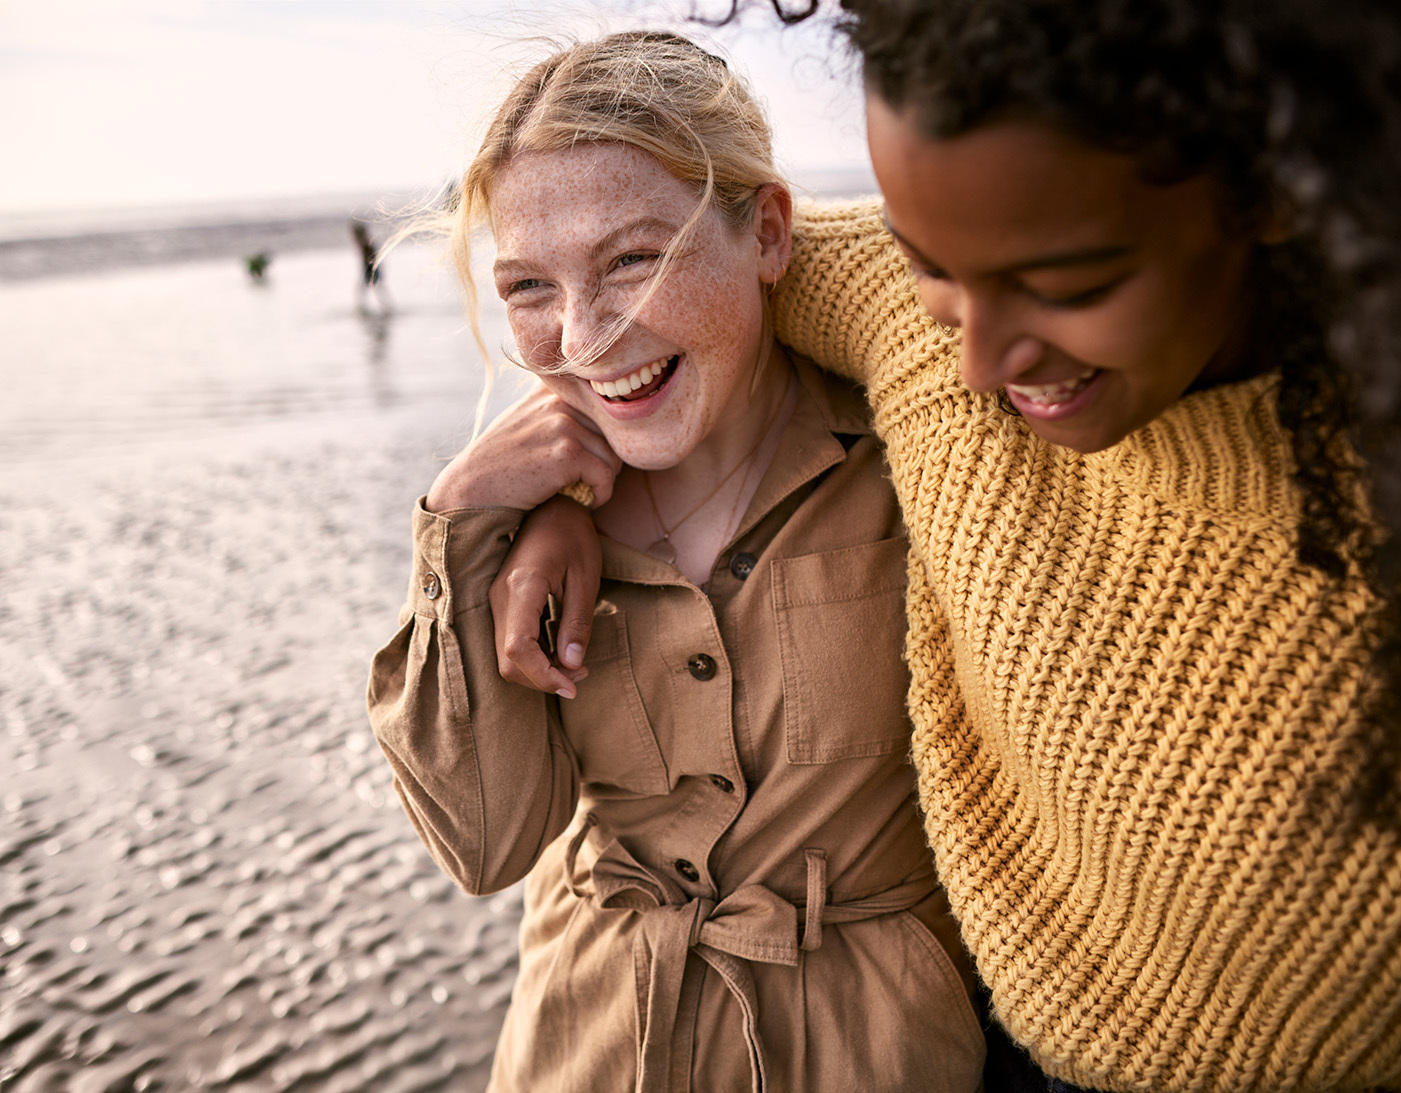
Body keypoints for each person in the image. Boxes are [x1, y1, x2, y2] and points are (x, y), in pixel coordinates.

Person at [492, 2, 1401, 1090]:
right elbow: (669, 301)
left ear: (1275, 190)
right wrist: (567, 488)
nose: (979, 365)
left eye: (1069, 284)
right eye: (930, 266)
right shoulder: (910, 326)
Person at [366, 31, 986, 1093]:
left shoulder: (915, 451)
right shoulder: (510, 519)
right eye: (526, 284)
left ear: (770, 234)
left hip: (870, 1053)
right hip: (586, 1045)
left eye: (634, 258)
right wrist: (460, 521)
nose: (581, 333)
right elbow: (483, 844)